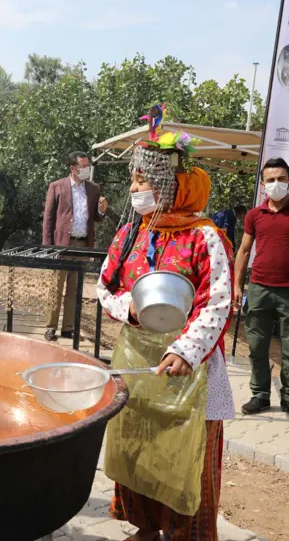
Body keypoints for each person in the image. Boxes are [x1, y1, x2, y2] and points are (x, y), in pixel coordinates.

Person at [96, 131, 234, 540]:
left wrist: (186, 351)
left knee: (187, 454)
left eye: (144, 181)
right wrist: (129, 309)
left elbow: (218, 302)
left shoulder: (203, 236)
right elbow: (105, 288)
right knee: (139, 445)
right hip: (138, 361)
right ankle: (145, 527)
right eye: (134, 180)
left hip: (190, 368)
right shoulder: (129, 236)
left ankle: (184, 535)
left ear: (173, 186)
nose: (135, 189)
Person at [233, 157, 289, 423]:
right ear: (262, 184)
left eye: (281, 179)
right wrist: (237, 285)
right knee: (257, 346)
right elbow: (244, 250)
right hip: (259, 288)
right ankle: (260, 395)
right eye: (270, 180)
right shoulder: (254, 215)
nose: (276, 184)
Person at [42, 151, 108, 341]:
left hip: (82, 245)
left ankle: (68, 328)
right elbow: (48, 219)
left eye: (88, 166)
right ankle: (50, 327)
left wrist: (102, 211)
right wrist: (48, 248)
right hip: (60, 246)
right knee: (55, 287)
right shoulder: (57, 186)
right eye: (83, 167)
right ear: (73, 168)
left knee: (75, 288)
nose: (87, 170)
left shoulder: (94, 189)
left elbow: (96, 218)